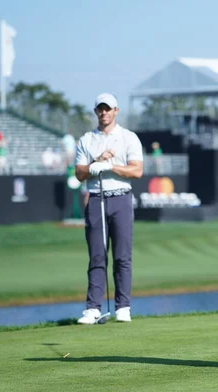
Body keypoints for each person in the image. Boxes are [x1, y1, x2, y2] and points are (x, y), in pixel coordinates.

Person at [74, 92, 144, 324]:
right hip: (96, 198)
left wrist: (111, 165)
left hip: (121, 198)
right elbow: (79, 173)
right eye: (100, 109)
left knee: (122, 256)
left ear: (116, 111)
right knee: (97, 255)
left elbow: (137, 171)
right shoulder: (86, 140)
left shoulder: (128, 138)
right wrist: (95, 163)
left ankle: (123, 306)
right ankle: (93, 307)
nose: (104, 112)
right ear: (96, 111)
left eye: (108, 108)